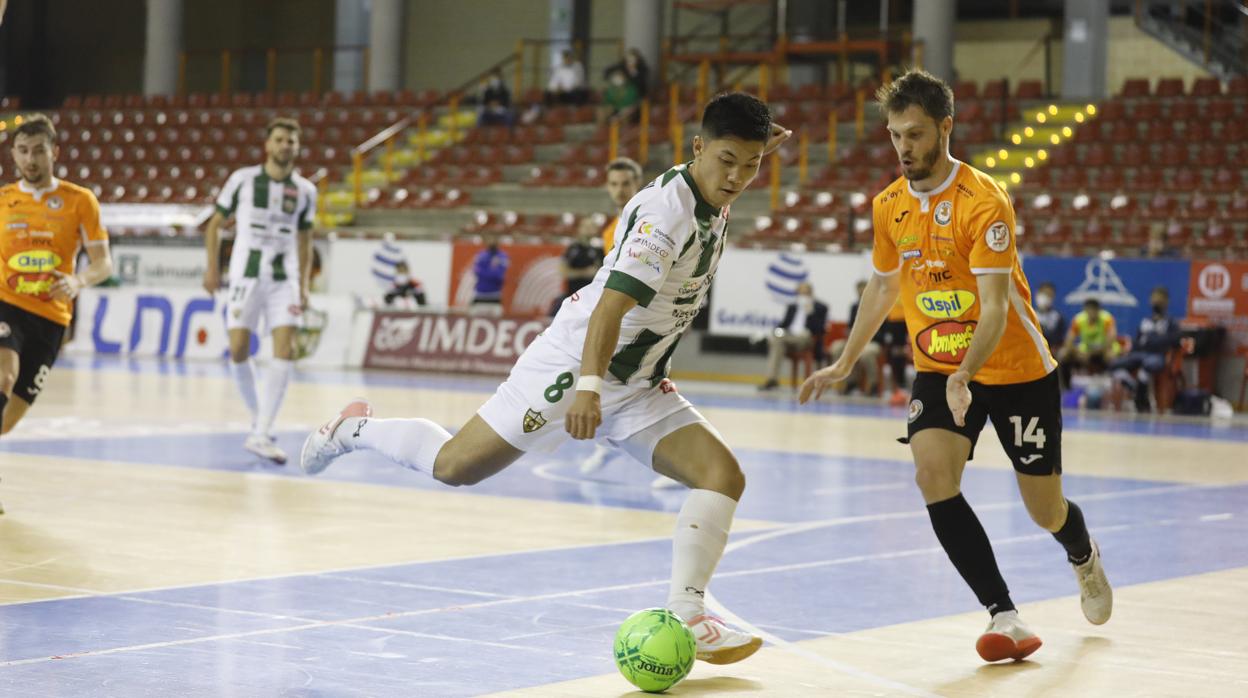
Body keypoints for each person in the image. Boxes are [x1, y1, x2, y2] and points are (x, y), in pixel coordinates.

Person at [302, 93, 791, 664]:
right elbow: (609, 308)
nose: (736, 177)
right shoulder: (666, 215)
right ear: (698, 147)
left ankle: (687, 610)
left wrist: (759, 145)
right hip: (575, 363)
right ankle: (351, 431)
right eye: (726, 160)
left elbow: (745, 151)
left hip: (637, 381)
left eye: (752, 164)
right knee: (455, 466)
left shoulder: (720, 179)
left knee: (721, 475)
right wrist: (587, 388)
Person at [800, 70, 1111, 663]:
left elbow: (994, 309)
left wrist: (968, 373)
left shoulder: (985, 201)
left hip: (1015, 369)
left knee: (1044, 509)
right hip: (938, 367)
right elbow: (884, 285)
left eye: (915, 134)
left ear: (946, 127)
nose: (904, 148)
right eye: (895, 136)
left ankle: (1081, 552)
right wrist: (844, 362)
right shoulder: (889, 206)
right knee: (932, 476)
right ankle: (1005, 615)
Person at [0, 114, 114, 514]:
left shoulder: (80, 200)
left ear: (55, 152)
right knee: (3, 375)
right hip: (5, 305)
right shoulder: (3, 200)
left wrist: (79, 282)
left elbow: (104, 263)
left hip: (52, 318)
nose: (31, 159)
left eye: (39, 151)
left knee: (9, 418)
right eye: (23, 151)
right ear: (13, 154)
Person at [203, 117, 317, 464]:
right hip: (245, 277)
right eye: (280, 139)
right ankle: (259, 420)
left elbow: (305, 239)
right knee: (238, 348)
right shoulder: (243, 180)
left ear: (297, 148)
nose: (286, 146)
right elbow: (214, 225)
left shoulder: (306, 191)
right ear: (268, 145)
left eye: (291, 141)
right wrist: (212, 268)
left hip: (285, 280)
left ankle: (262, 431)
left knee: (286, 347)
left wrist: (305, 283)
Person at [1110, 286, 1180, 412]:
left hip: (1158, 356)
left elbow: (1174, 340)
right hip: (1140, 354)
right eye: (1154, 299)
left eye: (1160, 299)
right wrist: (1132, 351)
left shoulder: (1171, 322)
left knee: (1147, 367)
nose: (1156, 302)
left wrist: (1151, 340)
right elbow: (1138, 341)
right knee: (1114, 364)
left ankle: (1142, 402)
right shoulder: (1145, 321)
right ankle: (1133, 386)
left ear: (1166, 302)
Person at [759, 283, 828, 391]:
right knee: (776, 339)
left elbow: (820, 329)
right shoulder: (792, 307)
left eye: (805, 293)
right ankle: (772, 379)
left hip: (806, 338)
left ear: (811, 293)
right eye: (800, 293)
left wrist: (810, 312)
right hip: (789, 336)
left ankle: (772, 378)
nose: (803, 296)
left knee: (778, 340)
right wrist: (775, 331)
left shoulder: (821, 307)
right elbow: (784, 324)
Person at [828, 280, 884, 396]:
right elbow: (850, 326)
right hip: (855, 340)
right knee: (837, 347)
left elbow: (883, 331)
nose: (861, 292)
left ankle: (873, 384)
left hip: (872, 341)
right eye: (859, 290)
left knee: (866, 353)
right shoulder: (854, 307)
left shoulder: (881, 305)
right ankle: (849, 382)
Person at [1059, 298, 1119, 388]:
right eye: (1089, 309)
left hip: (1103, 351)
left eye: (1095, 309)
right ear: (1085, 309)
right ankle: (1066, 388)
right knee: (1063, 354)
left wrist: (1091, 353)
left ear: (1099, 310)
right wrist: (1077, 353)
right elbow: (1068, 341)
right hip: (1085, 351)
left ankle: (1112, 387)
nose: (1092, 312)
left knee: (1110, 355)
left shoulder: (1107, 318)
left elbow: (1111, 340)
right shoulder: (1079, 319)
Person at [602, 157, 644, 252]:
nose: (619, 190)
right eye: (614, 184)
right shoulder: (609, 232)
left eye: (625, 184)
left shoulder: (646, 223)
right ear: (607, 186)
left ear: (637, 183)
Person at [1033, 281, 1066, 352]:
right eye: (1044, 293)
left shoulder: (1058, 318)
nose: (1046, 297)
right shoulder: (1030, 315)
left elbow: (1060, 339)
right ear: (1038, 294)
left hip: (1052, 352)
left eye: (1049, 295)